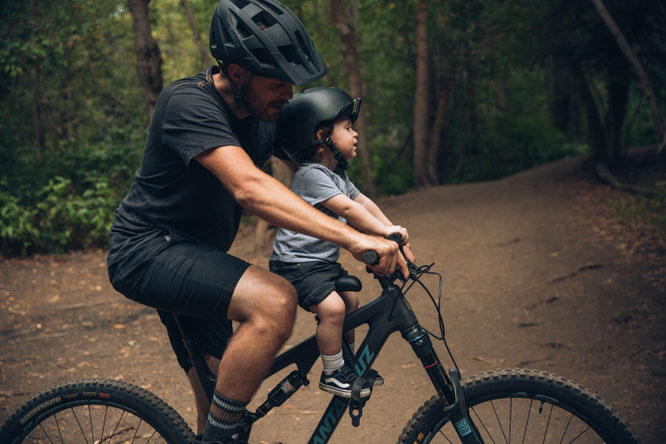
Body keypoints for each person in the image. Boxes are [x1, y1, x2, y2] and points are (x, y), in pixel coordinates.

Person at [106, 1, 408, 443]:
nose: (286, 93)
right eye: (275, 81)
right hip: (148, 250)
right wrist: (352, 239)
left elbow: (318, 175)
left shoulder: (266, 119)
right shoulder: (188, 101)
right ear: (237, 71)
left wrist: (382, 229)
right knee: (276, 301)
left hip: (200, 259)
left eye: (290, 81)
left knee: (219, 398)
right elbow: (250, 187)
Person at [269, 87, 416, 399]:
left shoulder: (337, 176)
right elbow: (349, 210)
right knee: (334, 308)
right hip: (296, 266)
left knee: (350, 302)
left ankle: (348, 365)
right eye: (348, 128)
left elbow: (364, 203)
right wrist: (386, 234)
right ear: (322, 135)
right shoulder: (310, 175)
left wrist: (391, 229)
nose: (356, 134)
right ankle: (333, 372)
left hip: (320, 263)